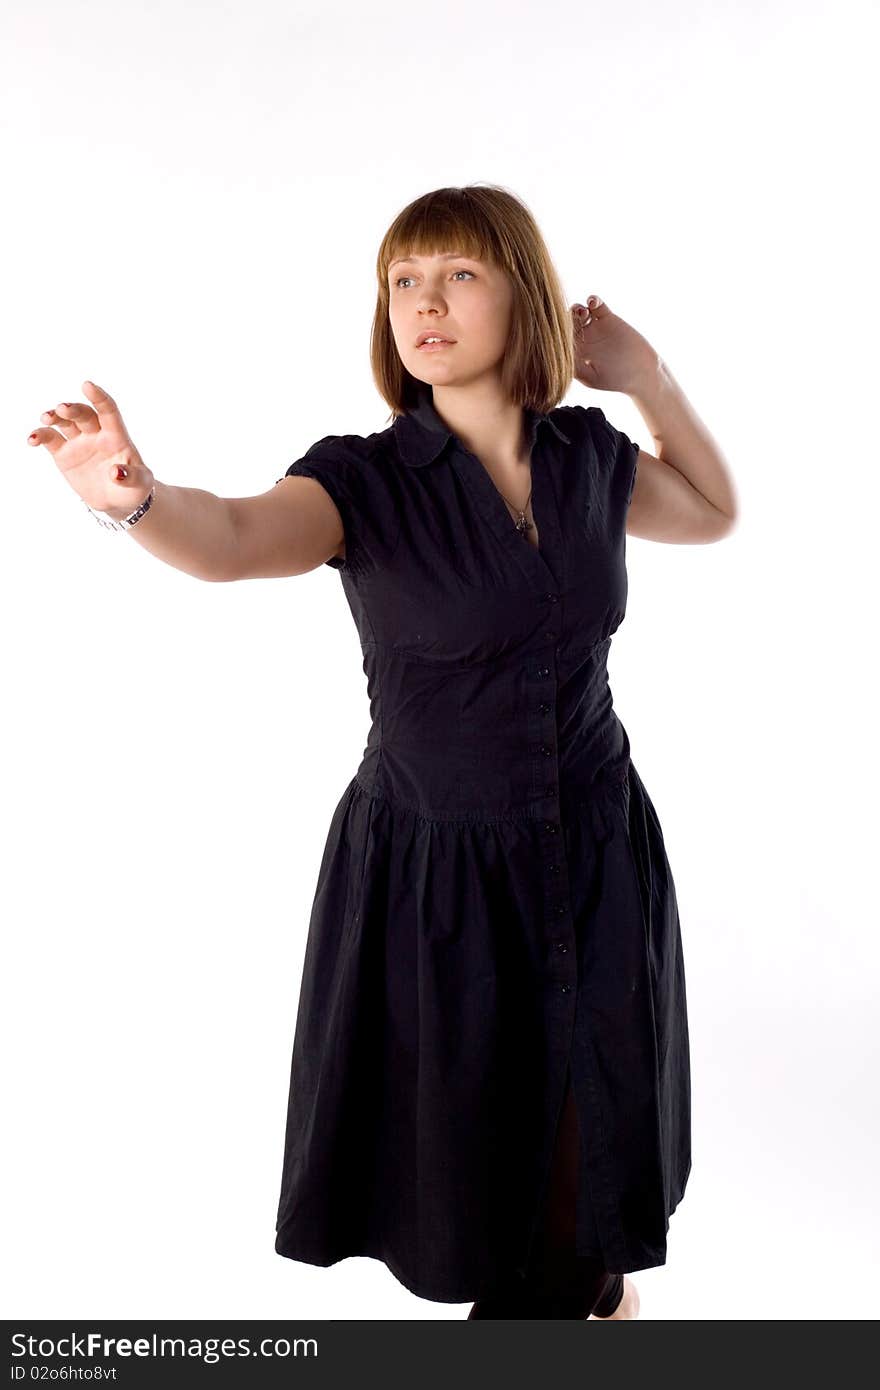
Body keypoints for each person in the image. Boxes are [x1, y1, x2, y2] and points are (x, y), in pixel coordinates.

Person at [26, 183, 738, 1320]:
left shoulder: (586, 459)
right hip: (438, 880)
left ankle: (595, 1302)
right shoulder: (364, 481)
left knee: (580, 1177)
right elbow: (236, 537)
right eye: (402, 281)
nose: (424, 303)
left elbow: (709, 510)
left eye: (457, 274)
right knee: (483, 1198)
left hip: (597, 853)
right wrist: (139, 501)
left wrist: (646, 378)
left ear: (525, 297)